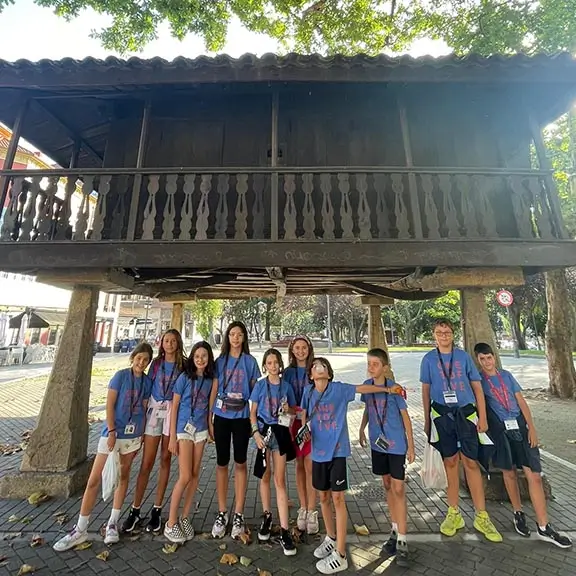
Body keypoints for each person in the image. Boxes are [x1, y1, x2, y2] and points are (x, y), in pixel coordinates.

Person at [301, 357, 404, 574]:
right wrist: (304, 429)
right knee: (323, 498)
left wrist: (387, 388)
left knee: (338, 498)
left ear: (329, 373)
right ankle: (330, 537)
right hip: (318, 453)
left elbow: (362, 387)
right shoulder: (308, 392)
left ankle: (340, 555)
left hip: (338, 452)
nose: (319, 368)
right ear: (311, 375)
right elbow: (304, 415)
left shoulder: (339, 390)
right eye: (315, 366)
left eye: (323, 366)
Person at [53, 343, 154, 551]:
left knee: (123, 477)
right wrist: (111, 431)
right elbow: (109, 405)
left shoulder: (147, 382)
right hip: (112, 434)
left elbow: (144, 409)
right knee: (94, 480)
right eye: (139, 358)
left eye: (145, 360)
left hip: (133, 435)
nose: (141, 363)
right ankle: (80, 528)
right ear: (132, 358)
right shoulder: (120, 376)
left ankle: (112, 523)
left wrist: (142, 435)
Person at [474, 342, 572, 548]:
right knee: (509, 473)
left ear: (494, 357)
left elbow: (521, 402)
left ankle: (544, 525)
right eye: (482, 359)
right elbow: (480, 405)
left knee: (533, 475)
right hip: (501, 430)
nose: (486, 362)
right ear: (478, 361)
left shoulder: (506, 376)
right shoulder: (480, 382)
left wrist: (532, 428)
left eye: (489, 357)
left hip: (519, 426)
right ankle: (518, 513)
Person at [420, 319, 501, 543]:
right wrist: (427, 420)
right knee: (450, 463)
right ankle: (453, 513)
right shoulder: (428, 359)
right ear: (434, 335)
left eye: (447, 332)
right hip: (442, 415)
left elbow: (477, 386)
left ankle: (481, 515)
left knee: (471, 462)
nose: (443, 335)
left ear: (453, 335)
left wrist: (482, 416)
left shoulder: (464, 357)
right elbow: (426, 390)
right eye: (439, 332)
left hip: (466, 413)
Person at [123, 329, 186, 534]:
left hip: (171, 413)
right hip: (153, 412)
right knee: (147, 462)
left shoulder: (183, 364)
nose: (169, 344)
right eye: (166, 340)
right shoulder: (156, 363)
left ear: (178, 343)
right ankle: (136, 508)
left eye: (173, 341)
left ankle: (157, 509)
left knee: (165, 459)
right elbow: (147, 387)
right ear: (162, 343)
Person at [359, 348, 415, 567]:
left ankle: (402, 538)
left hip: (396, 445)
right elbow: (367, 408)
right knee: (387, 484)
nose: (371, 367)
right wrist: (362, 428)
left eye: (375, 364)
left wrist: (411, 446)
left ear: (385, 366)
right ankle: (394, 529)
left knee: (399, 488)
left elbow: (406, 417)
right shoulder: (367, 385)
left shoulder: (395, 389)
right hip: (377, 444)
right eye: (369, 363)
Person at [209, 321, 261, 539]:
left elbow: (255, 392)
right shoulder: (219, 362)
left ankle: (238, 512)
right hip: (221, 416)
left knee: (240, 462)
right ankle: (222, 512)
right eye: (232, 334)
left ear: (244, 337)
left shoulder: (250, 362)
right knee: (222, 463)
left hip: (241, 418)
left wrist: (254, 421)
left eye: (240, 334)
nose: (236, 338)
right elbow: (213, 389)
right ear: (227, 337)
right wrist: (209, 419)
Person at [164, 341, 218, 543]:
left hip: (201, 431)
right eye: (197, 356)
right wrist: (171, 438)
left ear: (209, 358)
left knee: (195, 475)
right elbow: (175, 407)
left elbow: (210, 408)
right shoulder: (184, 378)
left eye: (204, 356)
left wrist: (211, 428)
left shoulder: (211, 380)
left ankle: (185, 517)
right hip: (183, 430)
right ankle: (170, 523)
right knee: (185, 475)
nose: (200, 359)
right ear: (192, 358)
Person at [250, 348, 297, 555]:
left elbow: (293, 412)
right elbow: (252, 413)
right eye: (269, 362)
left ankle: (285, 530)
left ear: (280, 365)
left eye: (276, 362)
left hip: (280, 434)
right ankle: (267, 516)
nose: (273, 366)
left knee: (280, 480)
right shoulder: (260, 386)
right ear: (265, 365)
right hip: (263, 434)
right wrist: (255, 435)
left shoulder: (286, 386)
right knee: (265, 476)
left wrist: (288, 411)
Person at [283, 335, 318, 534]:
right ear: (292, 350)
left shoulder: (315, 369)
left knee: (310, 465)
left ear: (309, 349)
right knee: (298, 465)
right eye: (297, 347)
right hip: (293, 423)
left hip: (312, 423)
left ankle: (313, 510)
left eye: (304, 347)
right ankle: (303, 507)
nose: (300, 351)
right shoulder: (287, 373)